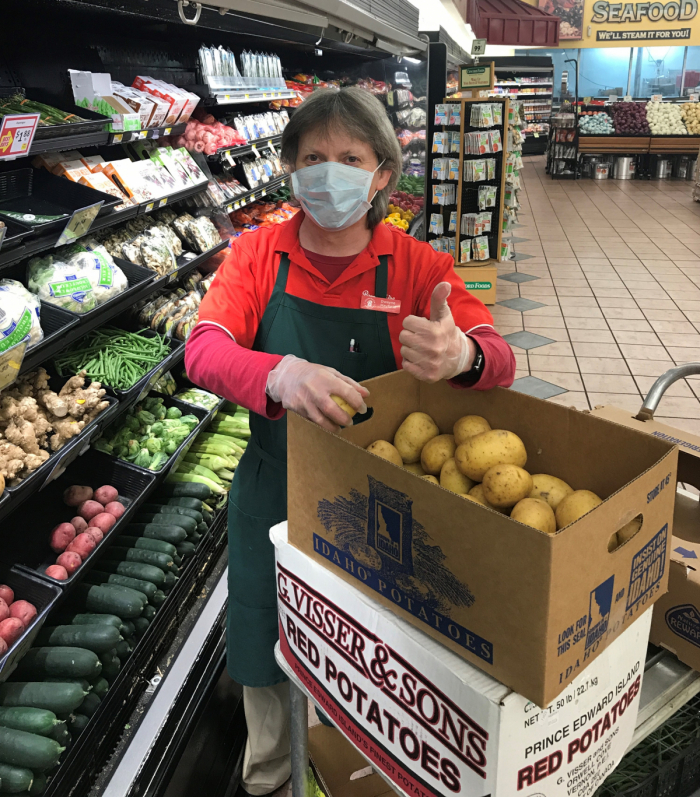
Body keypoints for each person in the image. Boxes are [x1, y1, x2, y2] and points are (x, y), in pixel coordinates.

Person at [185, 86, 515, 797]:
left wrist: (464, 358)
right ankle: (270, 779)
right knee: (268, 657)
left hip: (385, 506)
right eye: (312, 157)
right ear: (291, 169)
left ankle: (358, 777)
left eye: (349, 157)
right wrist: (279, 373)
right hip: (275, 493)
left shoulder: (418, 266)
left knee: (375, 668)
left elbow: (500, 356)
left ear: (383, 175)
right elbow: (204, 352)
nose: (328, 172)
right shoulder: (255, 256)